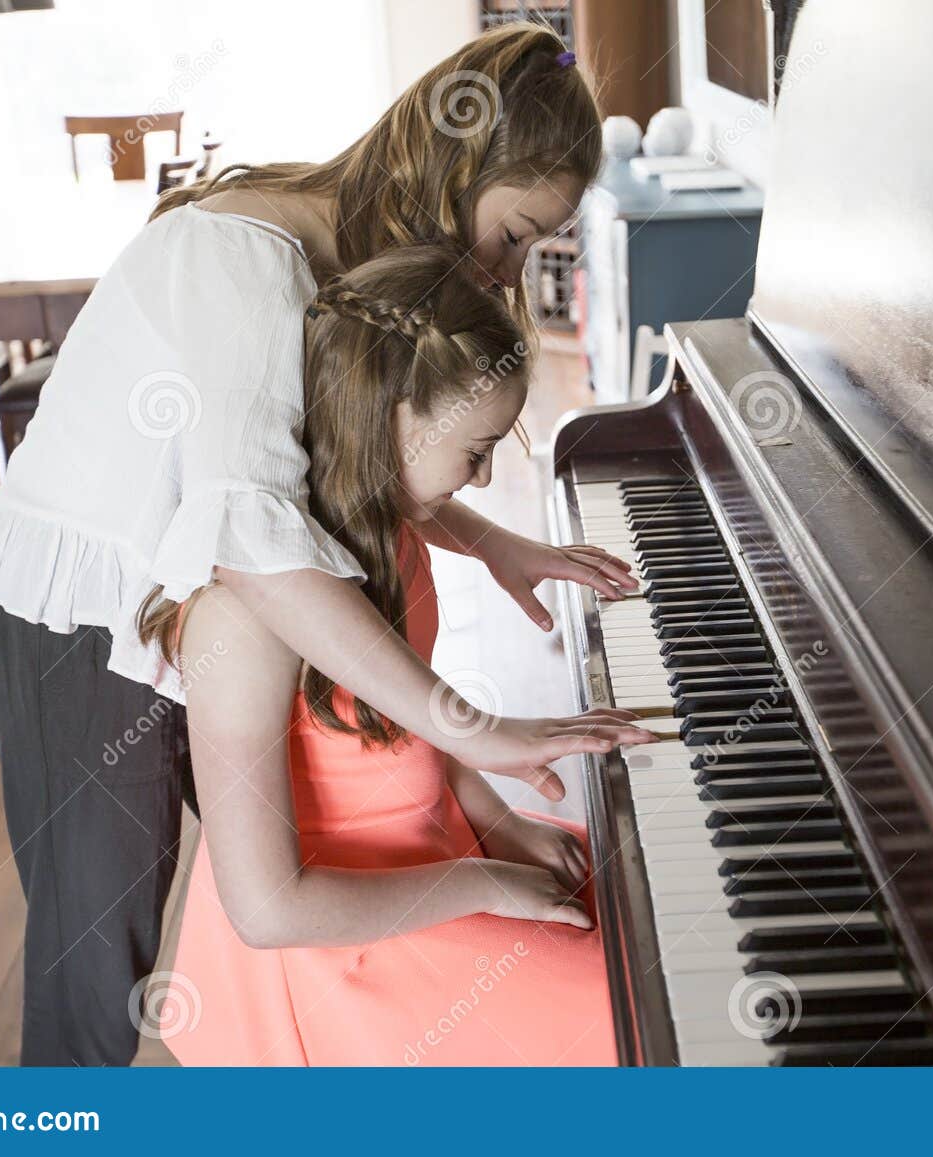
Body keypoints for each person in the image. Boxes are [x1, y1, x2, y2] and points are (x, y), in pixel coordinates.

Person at [0, 24, 648, 1066]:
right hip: (69, 616)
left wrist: (487, 540)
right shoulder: (242, 253)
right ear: (461, 164)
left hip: (188, 600)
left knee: (266, 891)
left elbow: (330, 471)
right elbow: (251, 536)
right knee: (99, 968)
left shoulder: (355, 273)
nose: (503, 268)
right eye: (514, 231)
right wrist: (476, 729)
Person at [163, 243, 618, 1065]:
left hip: (432, 854)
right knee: (623, 1017)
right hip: (343, 941)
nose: (479, 481)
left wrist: (494, 816)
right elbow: (270, 911)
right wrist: (483, 884)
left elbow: (400, 737)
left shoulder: (391, 535)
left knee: (632, 908)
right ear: (389, 413)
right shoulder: (240, 623)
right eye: (473, 451)